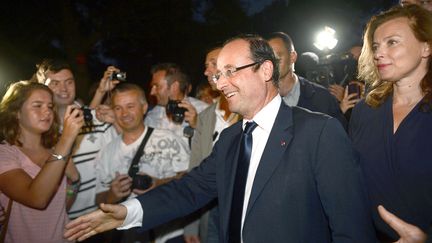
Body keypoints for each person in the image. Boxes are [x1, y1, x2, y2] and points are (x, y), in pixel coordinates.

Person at [64, 34, 376, 242]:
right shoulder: (230, 139)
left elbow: (352, 231)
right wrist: (128, 212)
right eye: (216, 75)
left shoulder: (318, 132)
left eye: (230, 71)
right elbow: (189, 190)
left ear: (266, 70)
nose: (219, 83)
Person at [351, 5, 432, 242]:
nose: (378, 53)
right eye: (376, 46)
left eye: (392, 42)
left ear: (426, 47)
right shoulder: (364, 111)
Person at [95, 83, 190, 243]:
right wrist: (113, 194)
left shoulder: (169, 139)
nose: (124, 113)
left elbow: (191, 180)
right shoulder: (107, 152)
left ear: (144, 107)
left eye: (130, 106)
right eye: (118, 108)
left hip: (171, 233)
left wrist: (159, 183)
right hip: (130, 236)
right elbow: (99, 199)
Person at [33, 59, 119, 224]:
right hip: (64, 222)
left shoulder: (97, 117)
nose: (64, 89)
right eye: (55, 83)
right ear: (42, 86)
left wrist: (117, 121)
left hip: (103, 218)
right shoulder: (38, 132)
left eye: (69, 82)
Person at [0, 81, 83, 243]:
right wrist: (65, 140)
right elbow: (37, 199)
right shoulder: (5, 153)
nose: (47, 112)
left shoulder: (54, 151)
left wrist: (74, 183)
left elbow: (60, 206)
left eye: (50, 106)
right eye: (37, 105)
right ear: (16, 112)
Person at [183, 46, 241, 243]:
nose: (207, 71)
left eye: (213, 64)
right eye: (206, 66)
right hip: (212, 211)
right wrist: (191, 226)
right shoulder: (206, 117)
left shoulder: (250, 112)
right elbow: (195, 171)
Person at [266, 32, 347, 128]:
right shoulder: (258, 101)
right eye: (266, 59)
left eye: (277, 58)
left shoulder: (321, 98)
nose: (271, 64)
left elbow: (337, 138)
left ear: (292, 57)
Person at [145, 63, 208, 144]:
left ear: (174, 87)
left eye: (156, 86)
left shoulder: (204, 111)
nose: (152, 92)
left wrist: (198, 126)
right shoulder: (152, 116)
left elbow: (217, 147)